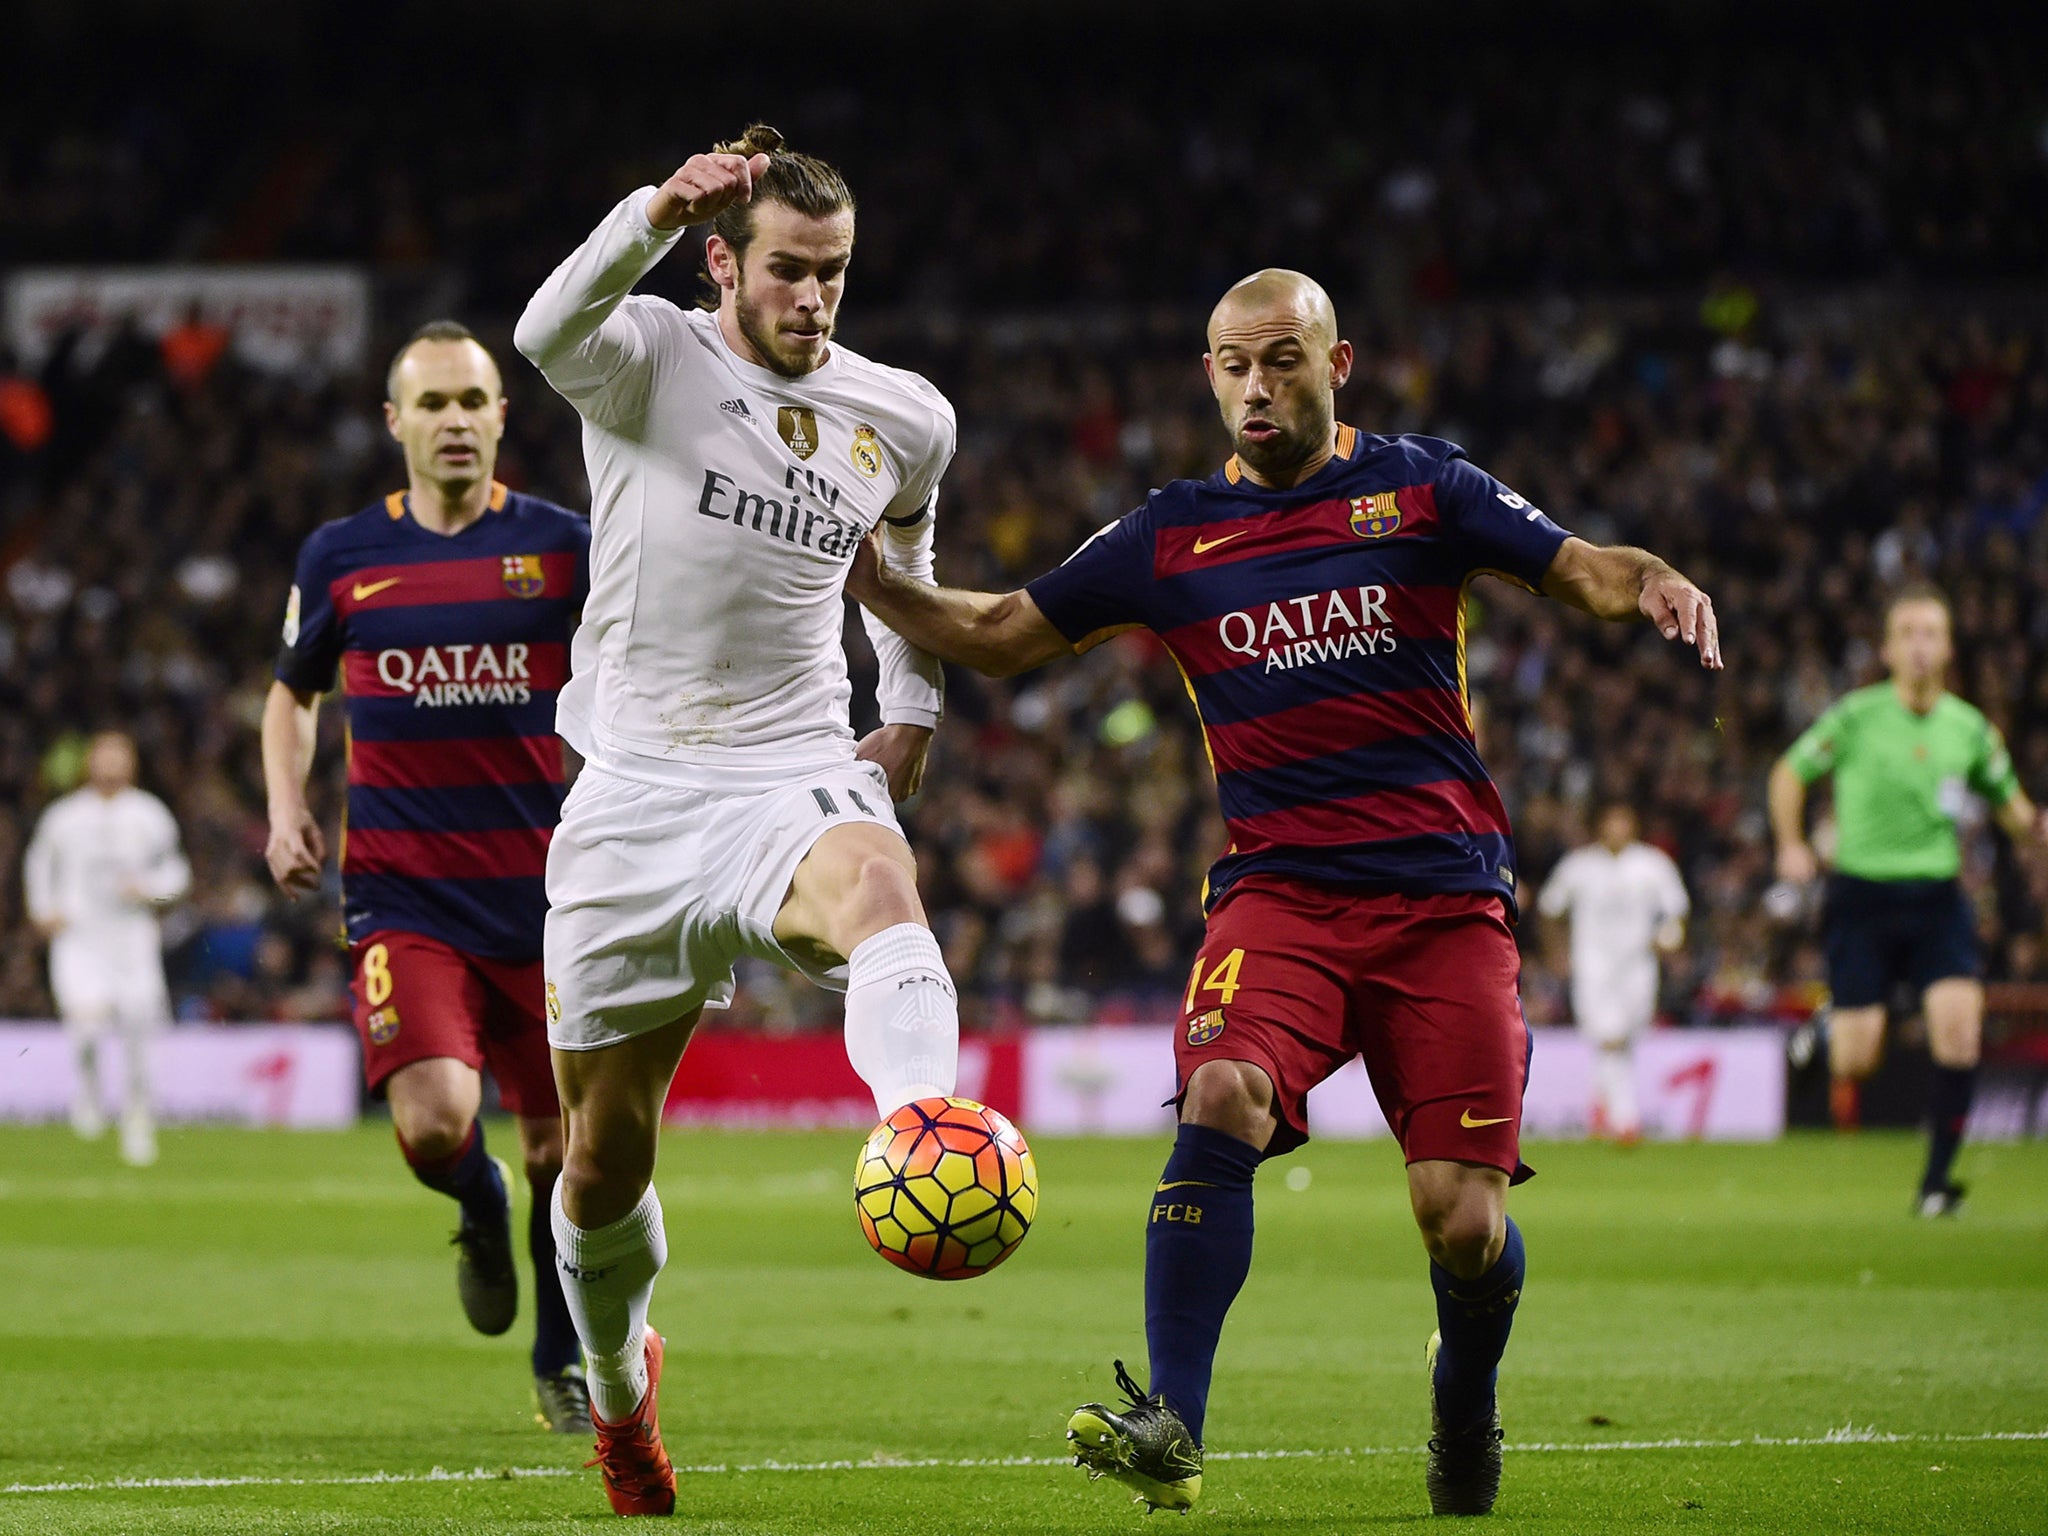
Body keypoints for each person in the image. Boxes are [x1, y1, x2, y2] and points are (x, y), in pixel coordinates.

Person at [847, 268, 1720, 1517]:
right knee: (1221, 1088)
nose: (1256, 387)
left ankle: (1462, 1400)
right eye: (1232, 365)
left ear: (1336, 362)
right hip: (1280, 899)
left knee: (1458, 1225)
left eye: (1281, 361)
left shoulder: (1425, 489)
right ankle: (1173, 1424)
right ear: (1208, 376)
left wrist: (1651, 581)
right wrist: (875, 585)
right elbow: (998, 629)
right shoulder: (1168, 534)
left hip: (1440, 906)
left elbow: (1580, 566)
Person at [514, 125, 963, 1517]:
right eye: (787, 270)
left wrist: (915, 702)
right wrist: (649, 205)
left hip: (790, 769)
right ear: (725, 260)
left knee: (884, 894)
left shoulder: (904, 414)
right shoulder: (646, 355)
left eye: (833, 273)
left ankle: (925, 1142)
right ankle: (620, 1392)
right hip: (636, 789)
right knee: (601, 1161)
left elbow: (910, 557)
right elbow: (541, 329)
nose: (814, 298)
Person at [262, 320, 595, 1432]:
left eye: (473, 401)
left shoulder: (565, 548)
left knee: (564, 1151)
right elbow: (290, 692)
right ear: (394, 421)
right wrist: (285, 809)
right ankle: (474, 1197)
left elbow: (632, 681)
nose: (454, 421)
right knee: (435, 1123)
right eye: (433, 403)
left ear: (503, 415)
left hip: (549, 902)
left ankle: (559, 1354)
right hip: (405, 897)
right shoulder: (343, 556)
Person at [1769, 584, 2043, 1216]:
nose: (1920, 647)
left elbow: (2011, 806)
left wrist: (2035, 826)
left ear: (1947, 648)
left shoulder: (1970, 730)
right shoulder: (1856, 716)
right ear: (1889, 649)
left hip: (1938, 900)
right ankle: (1825, 1028)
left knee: (1960, 1033)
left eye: (1931, 634)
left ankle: (1936, 1186)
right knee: (1858, 1058)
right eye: (1908, 634)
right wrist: (1791, 842)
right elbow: (1789, 772)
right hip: (1861, 897)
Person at [24, 730, 190, 1166]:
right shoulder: (64, 816)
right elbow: (40, 863)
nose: (112, 763)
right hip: (79, 936)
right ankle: (90, 1090)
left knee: (139, 1027)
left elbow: (177, 871)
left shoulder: (149, 814)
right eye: (105, 754)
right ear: (90, 760)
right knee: (87, 1023)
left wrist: (150, 889)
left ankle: (138, 1120)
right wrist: (44, 908)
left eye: (121, 754)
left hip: (132, 938)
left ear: (132, 762)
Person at [1536, 803, 1690, 1143]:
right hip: (1594, 966)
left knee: (1627, 1038)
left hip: (1639, 965)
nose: (1618, 828)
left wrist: (1670, 938)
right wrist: (1556, 953)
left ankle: (1601, 1107)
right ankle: (1626, 1120)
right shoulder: (1579, 866)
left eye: (1624, 820)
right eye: (1612, 821)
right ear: (1599, 825)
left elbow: (1676, 911)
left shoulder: (1652, 864)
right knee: (1609, 1037)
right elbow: (1549, 909)